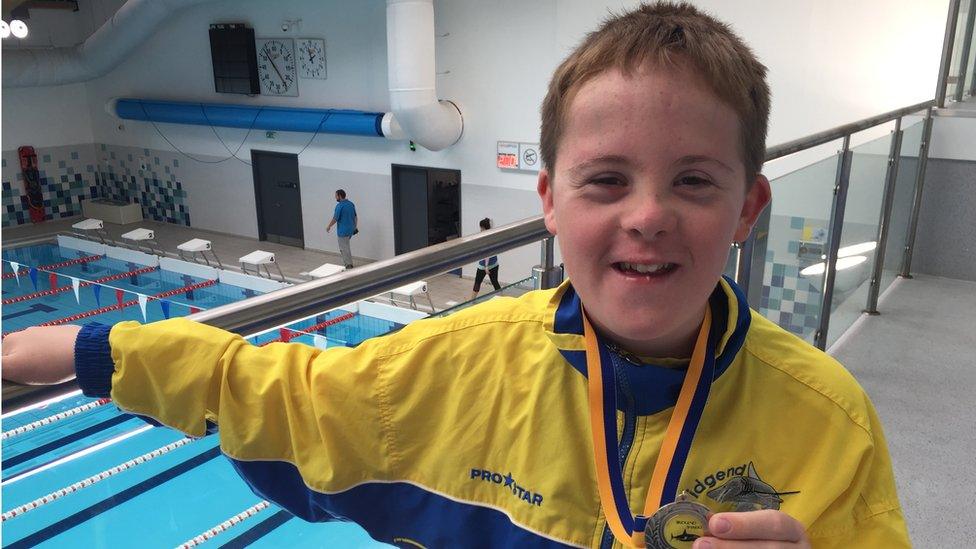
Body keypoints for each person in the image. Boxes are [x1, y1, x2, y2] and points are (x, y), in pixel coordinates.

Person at [2, 3, 909, 548]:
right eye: (606, 180)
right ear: (551, 201)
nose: (646, 214)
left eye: (693, 181)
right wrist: (78, 347)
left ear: (747, 209)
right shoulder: (446, 371)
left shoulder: (827, 423)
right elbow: (269, 386)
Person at [469, 217, 503, 301]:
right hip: (495, 264)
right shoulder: (493, 235)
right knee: (495, 282)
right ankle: (503, 300)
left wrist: (486, 266)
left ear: (483, 227)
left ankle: (471, 301)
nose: (480, 229)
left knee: (477, 282)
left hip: (484, 266)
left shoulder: (485, 238)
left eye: (480, 227)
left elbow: (487, 253)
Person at [326, 188, 357, 269]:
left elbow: (335, 218)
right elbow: (355, 217)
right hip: (350, 230)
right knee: (346, 246)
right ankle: (349, 263)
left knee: (344, 248)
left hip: (343, 231)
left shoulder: (340, 206)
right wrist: (355, 227)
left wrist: (329, 226)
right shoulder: (351, 204)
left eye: (336, 196)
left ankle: (348, 265)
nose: (335, 198)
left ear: (339, 196)